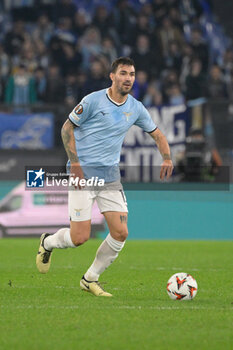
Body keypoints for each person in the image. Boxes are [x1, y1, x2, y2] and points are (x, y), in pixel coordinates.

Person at [36, 57, 173, 297]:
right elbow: (66, 128)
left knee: (120, 233)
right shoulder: (92, 101)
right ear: (112, 76)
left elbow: (158, 135)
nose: (128, 78)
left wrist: (168, 158)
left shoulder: (136, 108)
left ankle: (90, 279)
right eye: (123, 73)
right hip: (83, 174)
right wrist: (76, 164)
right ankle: (47, 242)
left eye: (131, 74)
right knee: (79, 238)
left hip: (110, 176)